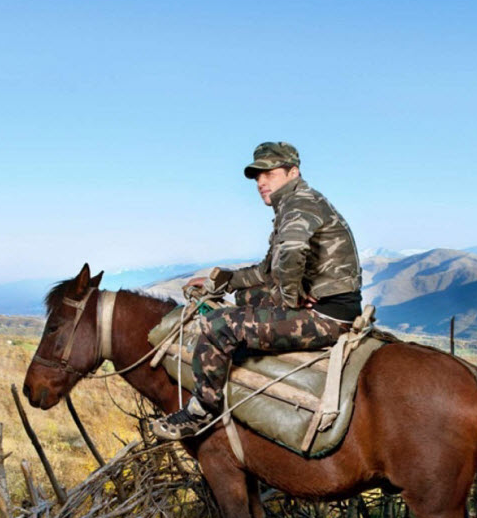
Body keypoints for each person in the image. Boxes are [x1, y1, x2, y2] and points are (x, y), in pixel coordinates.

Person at [150, 141, 362, 440]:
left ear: (293, 172)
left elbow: (291, 253)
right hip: (326, 302)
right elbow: (266, 271)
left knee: (215, 325)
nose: (261, 182)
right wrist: (216, 282)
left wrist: (292, 299)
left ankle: (202, 411)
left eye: (269, 173)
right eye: (256, 177)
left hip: (327, 315)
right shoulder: (293, 204)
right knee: (243, 297)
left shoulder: (300, 204)